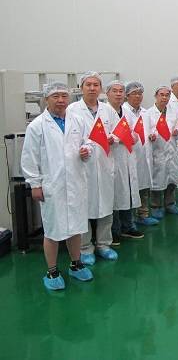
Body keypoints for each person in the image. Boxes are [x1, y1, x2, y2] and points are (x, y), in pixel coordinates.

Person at [21, 82, 94, 290]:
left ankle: (76, 264)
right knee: (52, 230)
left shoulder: (77, 120)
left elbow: (88, 141)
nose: (61, 100)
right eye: (56, 96)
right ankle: (52, 271)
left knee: (76, 227)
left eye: (64, 96)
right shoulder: (37, 126)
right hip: (52, 185)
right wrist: (35, 184)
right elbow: (29, 157)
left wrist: (86, 150)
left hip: (75, 183)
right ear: (46, 99)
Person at [67, 72, 119, 265]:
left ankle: (104, 244)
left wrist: (114, 138)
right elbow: (67, 137)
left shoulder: (107, 110)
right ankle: (84, 247)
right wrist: (79, 150)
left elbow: (119, 130)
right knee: (83, 207)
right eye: (88, 84)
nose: (92, 88)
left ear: (100, 88)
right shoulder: (72, 110)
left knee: (106, 206)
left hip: (104, 164)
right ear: (81, 88)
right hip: (82, 165)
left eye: (96, 85)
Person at [105, 80, 144, 244]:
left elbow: (134, 133)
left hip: (127, 157)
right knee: (114, 196)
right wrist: (118, 138)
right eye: (115, 91)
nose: (118, 94)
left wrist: (132, 137)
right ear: (107, 93)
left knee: (127, 192)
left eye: (121, 91)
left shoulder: (126, 111)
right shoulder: (104, 111)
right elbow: (102, 135)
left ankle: (128, 226)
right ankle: (114, 231)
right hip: (112, 159)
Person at [123, 81, 159, 226]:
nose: (138, 96)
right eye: (134, 93)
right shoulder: (123, 111)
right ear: (127, 96)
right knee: (131, 187)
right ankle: (130, 219)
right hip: (130, 155)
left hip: (144, 154)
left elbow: (153, 127)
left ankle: (143, 214)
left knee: (144, 185)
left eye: (140, 93)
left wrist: (153, 134)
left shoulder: (145, 112)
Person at [147, 85, 178, 219]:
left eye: (167, 95)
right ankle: (156, 206)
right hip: (157, 150)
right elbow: (146, 129)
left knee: (172, 178)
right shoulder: (149, 113)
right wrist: (151, 134)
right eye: (161, 95)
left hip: (172, 149)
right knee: (157, 179)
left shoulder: (173, 111)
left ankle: (170, 203)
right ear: (156, 96)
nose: (164, 97)